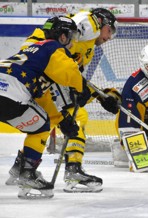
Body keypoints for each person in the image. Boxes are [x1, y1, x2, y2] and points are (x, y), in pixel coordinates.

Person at [6, 8, 121, 193]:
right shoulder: (86, 25)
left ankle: (22, 167)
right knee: (73, 117)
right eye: (110, 30)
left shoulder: (89, 46)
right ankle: (72, 169)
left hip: (42, 77)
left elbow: (75, 78)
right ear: (102, 22)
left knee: (50, 120)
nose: (109, 37)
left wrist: (101, 95)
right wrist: (96, 94)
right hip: (40, 73)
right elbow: (68, 73)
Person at [0, 15, 91, 199]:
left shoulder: (33, 53)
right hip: (9, 93)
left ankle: (22, 169)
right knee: (40, 126)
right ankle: (27, 173)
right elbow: (69, 71)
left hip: (6, 88)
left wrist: (62, 121)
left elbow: (42, 102)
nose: (73, 44)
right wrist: (82, 88)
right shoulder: (53, 48)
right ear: (62, 37)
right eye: (71, 37)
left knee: (40, 120)